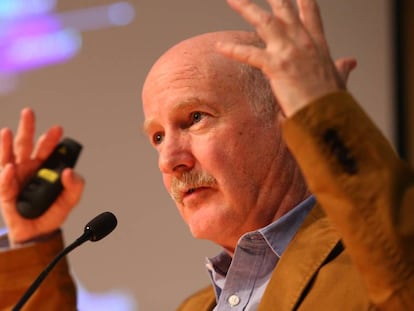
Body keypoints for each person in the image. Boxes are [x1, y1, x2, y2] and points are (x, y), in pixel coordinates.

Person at [0, 0, 413, 310]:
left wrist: (323, 113)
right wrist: (34, 244)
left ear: (287, 117)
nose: (169, 160)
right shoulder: (196, 307)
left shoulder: (374, 263)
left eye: (195, 118)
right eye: (158, 137)